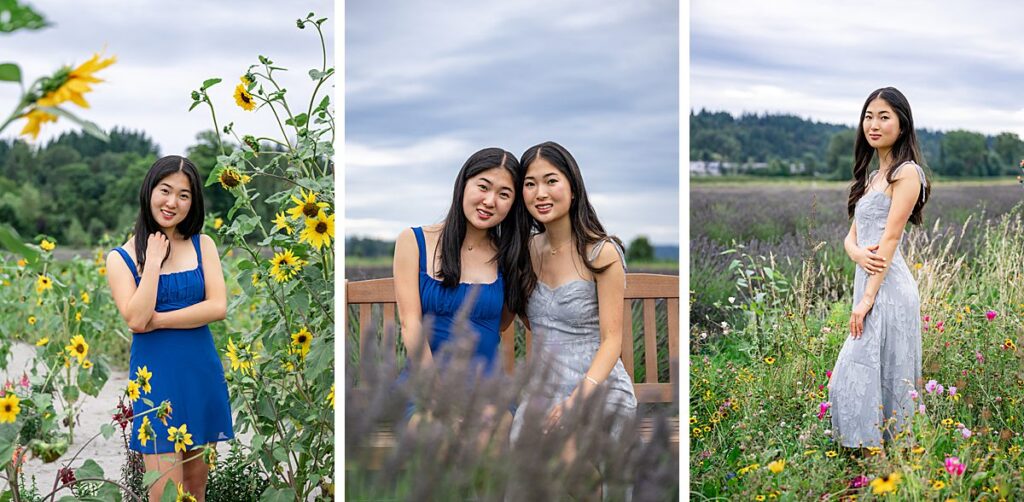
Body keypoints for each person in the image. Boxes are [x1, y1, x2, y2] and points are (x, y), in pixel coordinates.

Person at [106, 155, 233, 501]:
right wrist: (152, 264)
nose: (172, 202)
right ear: (150, 191)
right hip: (155, 382)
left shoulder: (202, 245)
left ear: (193, 203)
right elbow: (134, 319)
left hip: (200, 374)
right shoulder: (121, 258)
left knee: (196, 490)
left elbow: (217, 307)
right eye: (165, 190)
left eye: (184, 195)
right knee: (164, 494)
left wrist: (158, 320)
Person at [509, 141, 637, 446]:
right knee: (522, 451)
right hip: (545, 390)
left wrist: (575, 400)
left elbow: (612, 339)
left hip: (598, 387)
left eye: (551, 181)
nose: (540, 193)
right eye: (530, 184)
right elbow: (537, 322)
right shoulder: (524, 252)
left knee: (569, 455)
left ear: (573, 188)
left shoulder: (601, 252)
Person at [829, 87, 931, 449]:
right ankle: (870, 458)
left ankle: (888, 457)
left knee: (876, 370)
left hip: (888, 290)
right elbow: (849, 239)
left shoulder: (907, 174)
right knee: (860, 371)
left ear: (902, 125)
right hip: (868, 280)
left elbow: (890, 239)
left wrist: (867, 298)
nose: (874, 124)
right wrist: (856, 255)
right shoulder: (872, 177)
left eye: (884, 116)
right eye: (869, 116)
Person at [392, 147, 527, 420]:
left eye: (504, 194)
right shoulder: (413, 241)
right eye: (483, 187)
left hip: (486, 387)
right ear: (463, 184)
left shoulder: (511, 257)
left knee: (490, 429)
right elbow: (410, 323)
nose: (490, 201)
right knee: (431, 432)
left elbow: (499, 324)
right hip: (425, 382)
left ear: (513, 204)